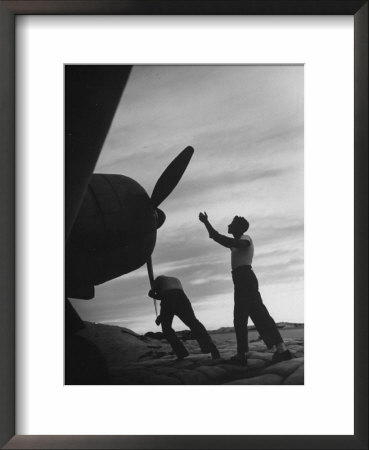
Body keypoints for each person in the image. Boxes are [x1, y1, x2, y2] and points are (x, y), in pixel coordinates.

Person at [199, 212, 292, 365]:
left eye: (231, 223)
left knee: (260, 314)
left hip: (246, 279)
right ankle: (242, 355)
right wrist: (206, 222)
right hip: (240, 280)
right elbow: (215, 236)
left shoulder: (245, 238)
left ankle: (282, 350)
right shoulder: (235, 243)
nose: (228, 225)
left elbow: (240, 244)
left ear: (238, 228)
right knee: (240, 318)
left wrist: (222, 236)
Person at [148, 275, 220, 360]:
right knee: (194, 323)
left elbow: (164, 298)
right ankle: (212, 349)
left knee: (167, 328)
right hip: (182, 297)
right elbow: (170, 298)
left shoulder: (158, 280)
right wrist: (161, 317)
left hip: (168, 298)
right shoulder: (174, 279)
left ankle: (181, 353)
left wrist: (152, 294)